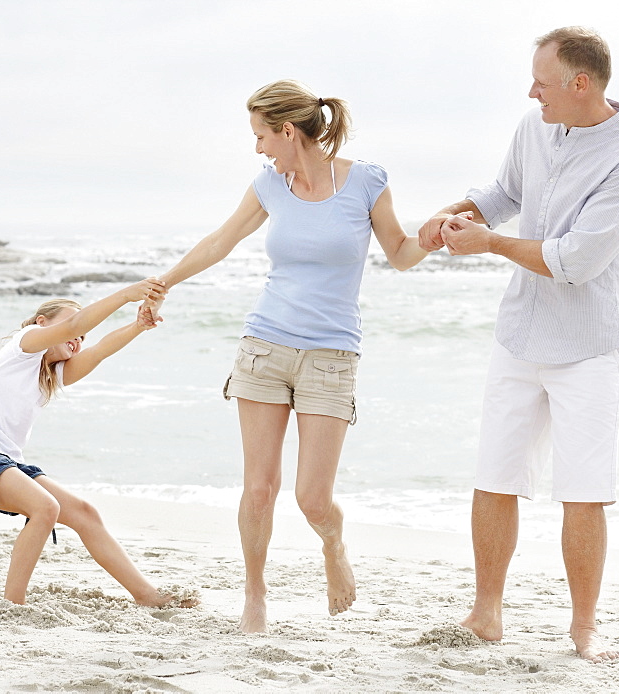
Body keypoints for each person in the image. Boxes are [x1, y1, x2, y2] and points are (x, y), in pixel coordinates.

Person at [147, 79, 428, 633]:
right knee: (259, 488)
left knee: (313, 499)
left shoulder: (366, 182)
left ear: (287, 131)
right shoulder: (270, 185)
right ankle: (255, 596)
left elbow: (400, 253)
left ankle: (334, 548)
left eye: (260, 136)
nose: (257, 149)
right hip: (264, 346)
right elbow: (219, 242)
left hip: (331, 355)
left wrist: (436, 235)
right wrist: (165, 282)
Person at [418, 26, 619, 662]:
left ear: (580, 84)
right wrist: (452, 216)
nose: (532, 92)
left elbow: (576, 260)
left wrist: (490, 244)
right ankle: (486, 613)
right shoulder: (536, 127)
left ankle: (584, 628)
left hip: (591, 346)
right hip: (520, 333)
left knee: (582, 490)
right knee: (495, 475)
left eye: (543, 82)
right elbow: (504, 195)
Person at [0, 279, 195, 608]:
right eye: (70, 329)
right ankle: (12, 605)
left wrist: (138, 325)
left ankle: (148, 597)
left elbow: (100, 350)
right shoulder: (23, 346)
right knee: (46, 507)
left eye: (80, 338)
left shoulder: (50, 374)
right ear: (42, 323)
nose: (77, 338)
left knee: (84, 513)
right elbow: (78, 323)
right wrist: (125, 294)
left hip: (3, 463)